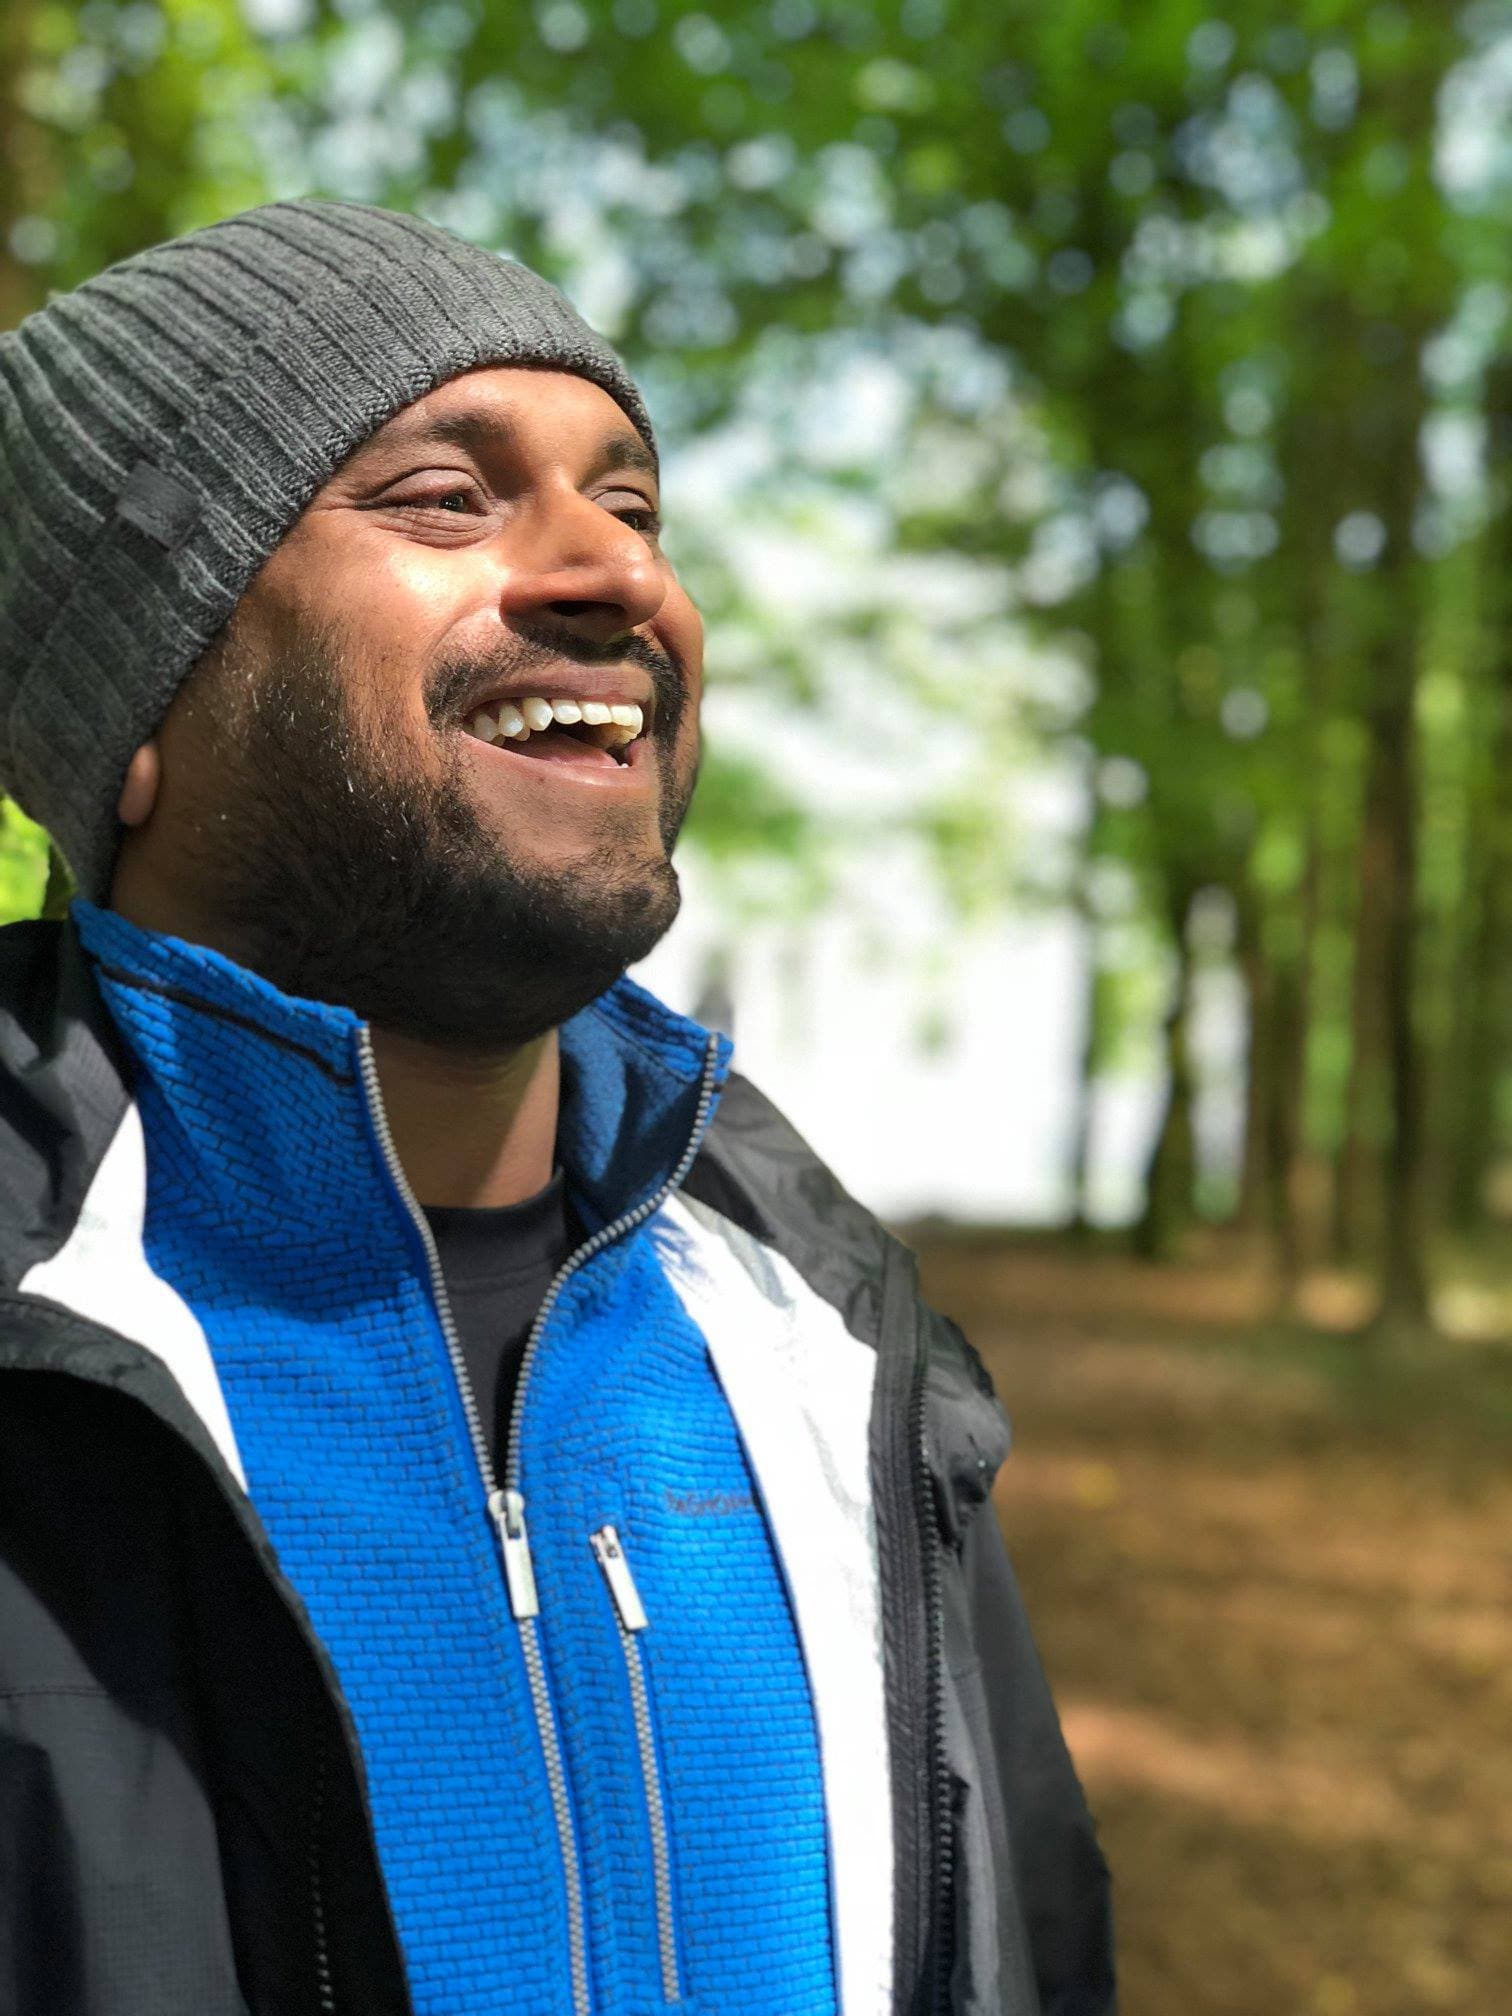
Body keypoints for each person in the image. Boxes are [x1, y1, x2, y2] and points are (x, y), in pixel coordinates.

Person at [0, 201, 1113, 2016]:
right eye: (444, 498)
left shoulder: (835, 1358)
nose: (616, 576)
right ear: (138, 700)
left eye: (635, 506)